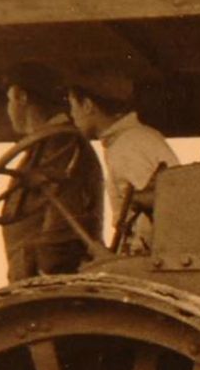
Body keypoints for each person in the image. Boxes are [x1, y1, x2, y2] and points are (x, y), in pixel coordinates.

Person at [0, 60, 104, 280]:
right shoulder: (50, 144)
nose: (8, 109)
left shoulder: (61, 145)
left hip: (45, 276)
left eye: (9, 100)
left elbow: (64, 217)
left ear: (21, 97)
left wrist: (47, 271)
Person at [66, 68, 178, 252]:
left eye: (72, 106)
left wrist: (125, 256)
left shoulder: (129, 145)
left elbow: (156, 211)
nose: (72, 115)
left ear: (87, 105)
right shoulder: (135, 138)